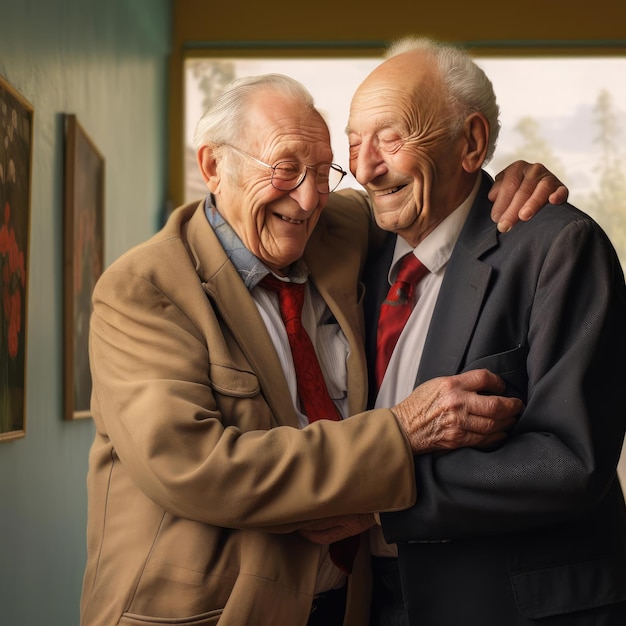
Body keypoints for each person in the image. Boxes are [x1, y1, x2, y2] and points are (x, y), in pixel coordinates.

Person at [79, 71, 568, 626]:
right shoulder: (142, 290)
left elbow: (430, 194)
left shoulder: (338, 228)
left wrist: (507, 179)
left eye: (323, 171)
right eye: (286, 168)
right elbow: (197, 469)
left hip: (344, 603)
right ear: (214, 166)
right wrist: (401, 432)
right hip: (203, 613)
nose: (310, 199)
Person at [334, 35, 625, 625]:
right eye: (354, 142)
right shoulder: (357, 256)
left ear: (471, 143)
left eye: (391, 137)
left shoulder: (559, 246)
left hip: (514, 610)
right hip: (384, 605)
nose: (366, 167)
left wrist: (374, 497)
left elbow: (571, 461)